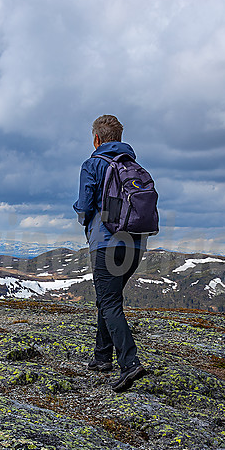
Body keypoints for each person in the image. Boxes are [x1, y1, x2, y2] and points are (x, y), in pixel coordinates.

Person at [73, 114, 150, 393]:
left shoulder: (93, 164)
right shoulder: (134, 166)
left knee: (109, 302)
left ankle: (130, 363)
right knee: (109, 299)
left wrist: (82, 216)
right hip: (135, 245)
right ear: (118, 138)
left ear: (96, 139)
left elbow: (84, 206)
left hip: (106, 243)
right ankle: (102, 356)